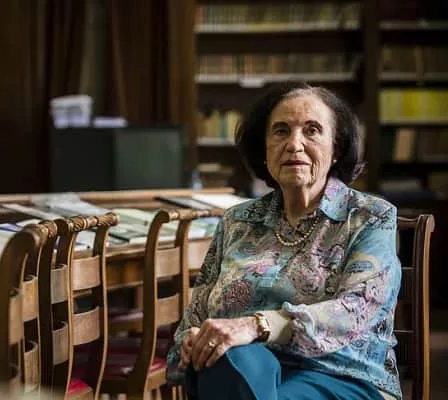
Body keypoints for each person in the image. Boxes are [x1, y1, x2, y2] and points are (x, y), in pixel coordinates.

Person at [166, 81, 402, 400]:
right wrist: (194, 341)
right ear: (264, 150)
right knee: (227, 359)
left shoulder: (369, 217)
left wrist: (257, 325)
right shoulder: (237, 222)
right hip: (243, 369)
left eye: (312, 130)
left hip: (340, 374)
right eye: (281, 131)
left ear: (336, 149)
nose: (294, 144)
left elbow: (357, 310)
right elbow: (195, 316)